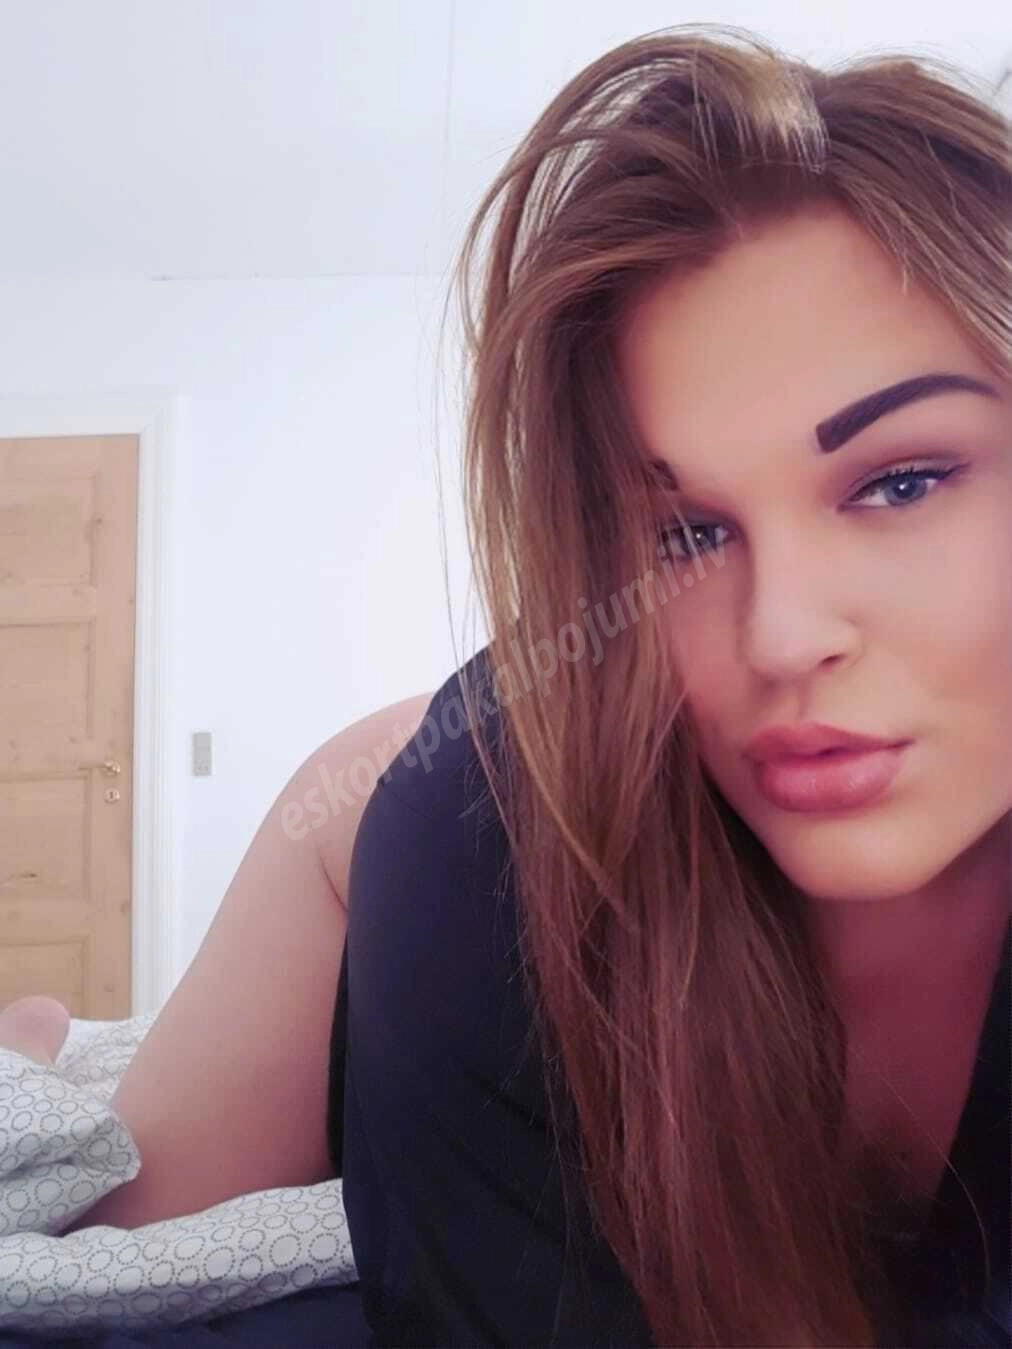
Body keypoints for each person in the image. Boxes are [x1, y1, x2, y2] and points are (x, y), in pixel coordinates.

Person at [3, 21, 1010, 1348]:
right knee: (122, 1212)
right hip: (362, 825)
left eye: (901, 482)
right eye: (684, 534)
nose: (780, 636)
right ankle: (30, 1045)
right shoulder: (472, 838)